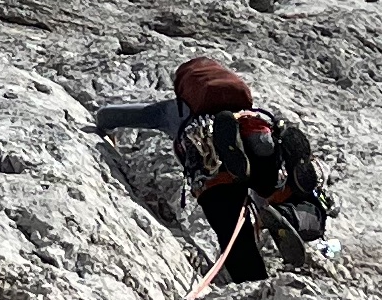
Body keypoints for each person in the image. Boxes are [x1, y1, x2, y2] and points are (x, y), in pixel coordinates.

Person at [92, 54, 329, 283]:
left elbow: (108, 116)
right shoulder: (248, 110)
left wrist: (101, 123)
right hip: (259, 151)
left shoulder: (174, 111)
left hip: (212, 168)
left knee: (237, 241)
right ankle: (292, 214)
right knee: (295, 197)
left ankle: (253, 284)